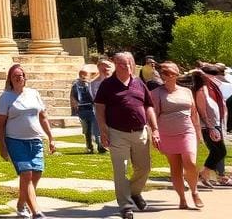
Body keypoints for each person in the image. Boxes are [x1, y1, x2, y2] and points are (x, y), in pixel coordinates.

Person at [94, 51, 161, 219]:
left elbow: (149, 106)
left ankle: (134, 192)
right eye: (123, 64)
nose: (128, 66)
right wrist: (103, 130)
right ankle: (125, 206)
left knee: (144, 168)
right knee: (121, 171)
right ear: (116, 65)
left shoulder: (139, 83)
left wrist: (155, 128)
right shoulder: (107, 85)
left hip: (140, 132)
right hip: (117, 133)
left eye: (130, 63)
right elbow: (100, 108)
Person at [0, 64, 56, 219]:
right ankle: (36, 212)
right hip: (15, 141)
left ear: (25, 77)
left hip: (35, 140)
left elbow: (43, 116)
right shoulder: (6, 97)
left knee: (36, 173)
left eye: (20, 75)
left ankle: (21, 204)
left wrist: (51, 137)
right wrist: (2, 146)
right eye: (14, 75)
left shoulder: (33, 93)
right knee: (26, 174)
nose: (18, 77)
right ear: (10, 78)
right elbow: (0, 124)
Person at [151, 62, 202, 209]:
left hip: (187, 131)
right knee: (175, 168)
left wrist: (198, 132)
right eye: (163, 73)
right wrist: (154, 132)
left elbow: (194, 113)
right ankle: (182, 199)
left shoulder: (186, 91)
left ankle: (194, 191)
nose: (165, 76)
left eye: (168, 73)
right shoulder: (156, 93)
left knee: (190, 163)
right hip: (167, 133)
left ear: (176, 74)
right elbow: (152, 115)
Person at [192, 68, 229, 187]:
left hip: (216, 124)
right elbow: (202, 112)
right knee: (220, 151)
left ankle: (203, 174)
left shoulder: (213, 89)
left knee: (218, 151)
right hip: (208, 127)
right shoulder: (201, 91)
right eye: (213, 75)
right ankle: (202, 174)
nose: (216, 78)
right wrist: (210, 127)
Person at [70, 67, 100, 153]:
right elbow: (73, 97)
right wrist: (75, 108)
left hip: (92, 109)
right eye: (81, 74)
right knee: (87, 130)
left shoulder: (92, 84)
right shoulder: (76, 84)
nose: (83, 76)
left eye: (85, 75)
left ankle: (100, 145)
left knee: (96, 129)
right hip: (82, 109)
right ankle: (89, 147)